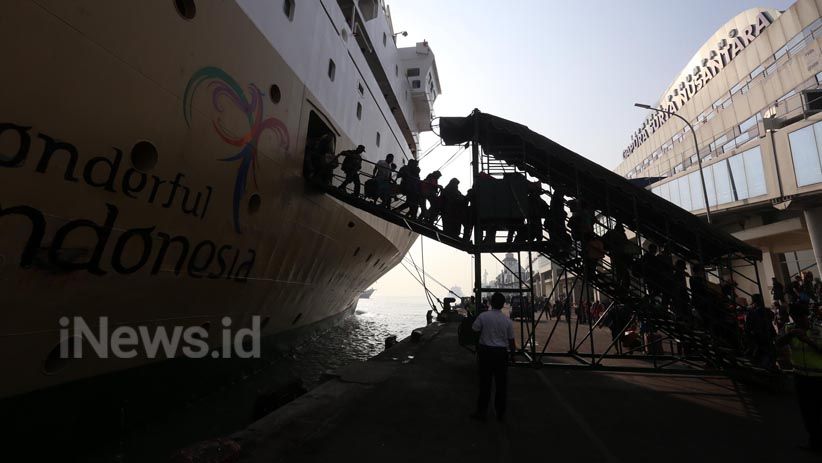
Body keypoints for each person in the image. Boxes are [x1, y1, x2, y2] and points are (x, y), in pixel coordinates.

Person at [777, 303, 822, 453]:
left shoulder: (818, 329)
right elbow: (778, 343)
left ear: (806, 316)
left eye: (801, 318)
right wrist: (789, 336)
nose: (798, 321)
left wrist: (807, 340)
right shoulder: (790, 328)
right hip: (801, 377)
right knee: (808, 413)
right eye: (795, 318)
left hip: (819, 378)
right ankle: (815, 441)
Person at [471, 292, 515, 422]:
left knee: (485, 384)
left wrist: (477, 346)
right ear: (502, 305)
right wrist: (512, 356)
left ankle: (481, 412)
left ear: (490, 302)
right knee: (501, 385)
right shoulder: (507, 320)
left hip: (485, 353)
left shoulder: (483, 316)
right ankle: (500, 413)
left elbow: (474, 330)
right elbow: (511, 341)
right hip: (501, 354)